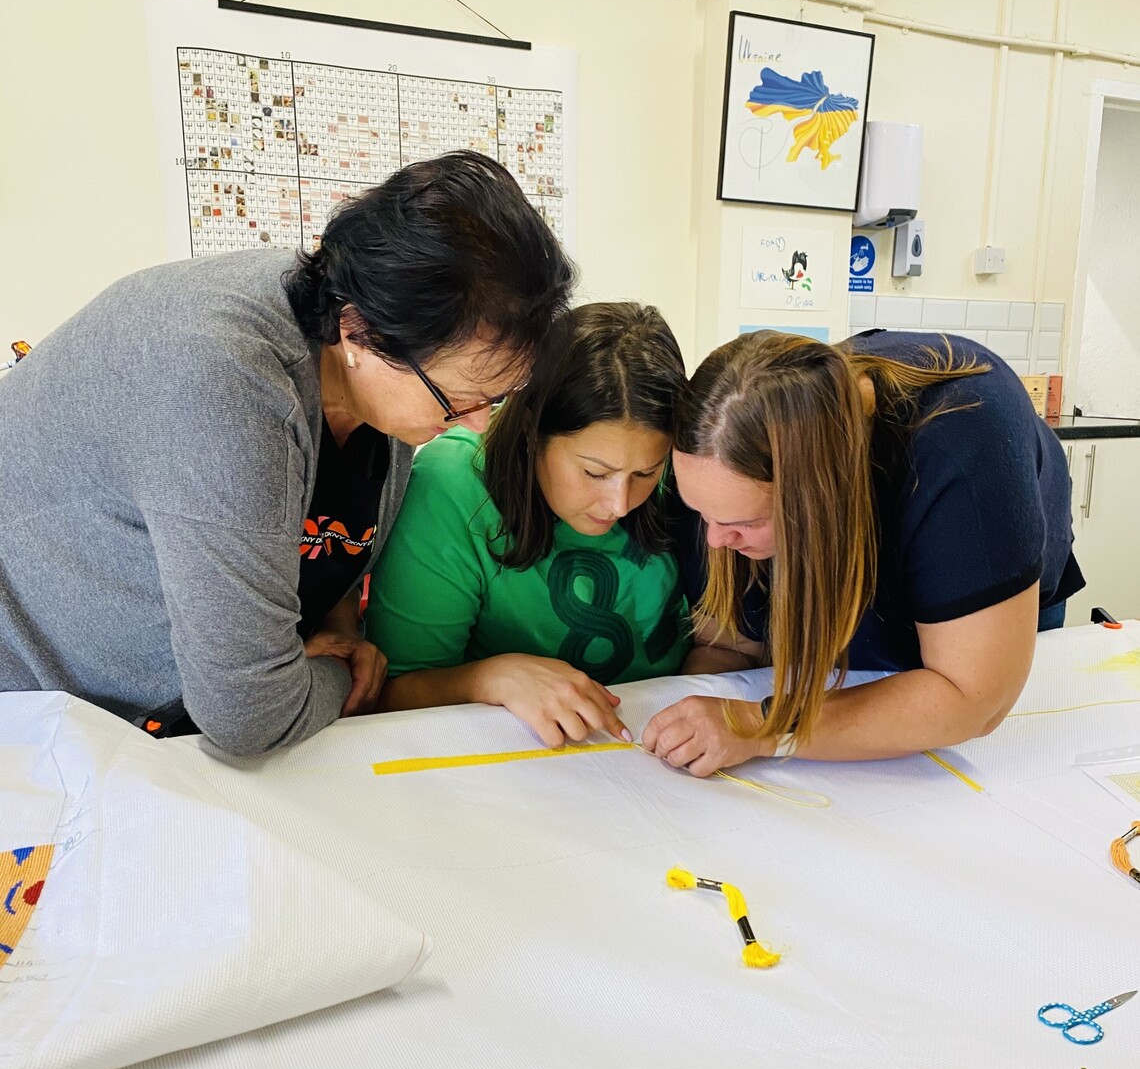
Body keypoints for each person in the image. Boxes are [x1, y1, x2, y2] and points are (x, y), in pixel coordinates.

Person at [0, 151, 573, 754]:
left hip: (171, 714)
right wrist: (337, 675)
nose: (476, 424)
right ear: (359, 333)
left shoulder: (377, 368)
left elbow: (336, 542)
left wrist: (340, 626)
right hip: (47, 710)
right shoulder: (225, 382)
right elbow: (248, 718)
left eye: (497, 399)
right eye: (458, 400)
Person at [642, 327, 1084, 774]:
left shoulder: (960, 448)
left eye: (745, 523)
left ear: (823, 497)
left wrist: (758, 726)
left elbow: (972, 699)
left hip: (983, 599)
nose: (716, 540)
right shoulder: (725, 462)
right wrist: (693, 715)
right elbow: (734, 644)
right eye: (702, 514)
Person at [365, 302, 691, 746]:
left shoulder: (690, 468)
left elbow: (730, 645)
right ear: (532, 434)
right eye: (595, 473)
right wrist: (491, 678)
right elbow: (391, 694)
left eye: (647, 474)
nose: (619, 504)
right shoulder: (453, 483)